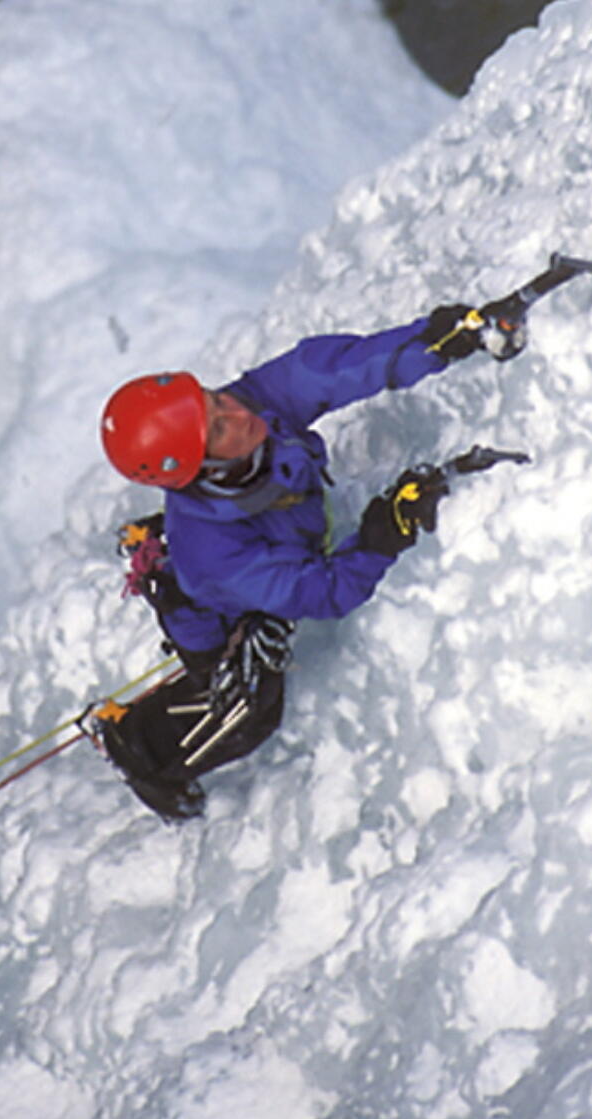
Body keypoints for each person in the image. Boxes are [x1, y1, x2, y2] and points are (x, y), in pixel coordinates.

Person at [92, 287, 529, 819]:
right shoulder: (214, 552)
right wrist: (384, 531)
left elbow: (326, 371)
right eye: (218, 427)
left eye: (215, 399)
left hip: (261, 548)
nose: (237, 411)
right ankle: (143, 754)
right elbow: (321, 590)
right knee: (250, 712)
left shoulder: (245, 410)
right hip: (216, 607)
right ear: (195, 469)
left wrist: (437, 342)